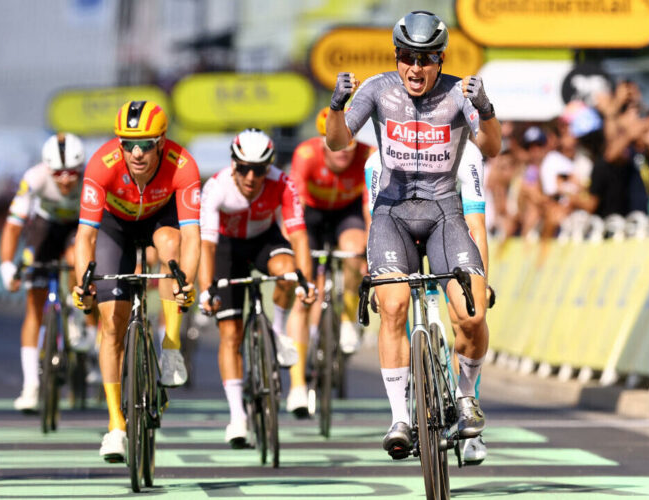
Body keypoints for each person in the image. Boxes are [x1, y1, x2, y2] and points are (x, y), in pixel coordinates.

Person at [325, 10, 501, 460]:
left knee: (472, 314)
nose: (415, 69)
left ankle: (465, 395)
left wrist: (485, 109)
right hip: (392, 214)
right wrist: (336, 107)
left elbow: (492, 148)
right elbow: (338, 143)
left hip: (444, 213)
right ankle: (399, 415)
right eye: (406, 57)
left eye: (425, 59)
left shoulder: (459, 92)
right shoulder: (379, 89)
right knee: (393, 306)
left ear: (439, 60)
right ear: (397, 56)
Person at [71, 100, 201, 462]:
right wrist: (84, 284)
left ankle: (172, 347)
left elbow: (192, 237)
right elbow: (85, 236)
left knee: (170, 248)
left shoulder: (183, 164)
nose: (137, 152)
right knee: (111, 323)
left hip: (161, 220)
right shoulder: (101, 165)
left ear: (162, 141)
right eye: (129, 144)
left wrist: (186, 281)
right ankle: (115, 426)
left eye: (146, 143)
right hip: (116, 227)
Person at [198, 128, 316, 447]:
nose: (251, 177)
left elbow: (299, 235)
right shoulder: (216, 187)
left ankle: (277, 333)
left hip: (264, 241)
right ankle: (237, 417)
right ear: (233, 165)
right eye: (245, 168)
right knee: (231, 335)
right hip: (226, 249)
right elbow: (206, 246)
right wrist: (206, 288)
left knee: (288, 274)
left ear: (269, 167)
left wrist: (306, 280)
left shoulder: (282, 182)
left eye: (260, 170)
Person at [0, 132, 97, 412]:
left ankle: (78, 313)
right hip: (46, 226)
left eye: (72, 173)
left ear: (81, 169)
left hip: (80, 227)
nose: (65, 180)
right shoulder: (34, 177)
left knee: (76, 257)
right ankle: (30, 386)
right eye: (58, 173)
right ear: (47, 169)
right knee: (34, 305)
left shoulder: (92, 179)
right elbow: (14, 225)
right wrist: (7, 265)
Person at [290, 108, 372, 377]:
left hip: (347, 214)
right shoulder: (306, 155)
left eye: (351, 141)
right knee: (311, 280)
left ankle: (348, 320)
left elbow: (370, 209)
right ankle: (312, 337)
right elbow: (295, 205)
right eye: (337, 142)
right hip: (313, 215)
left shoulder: (368, 155)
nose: (345, 150)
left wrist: (369, 253)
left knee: (353, 250)